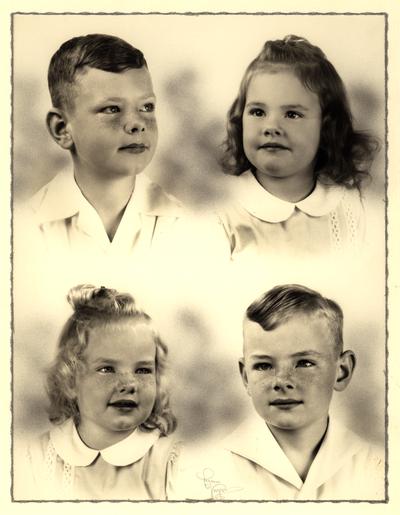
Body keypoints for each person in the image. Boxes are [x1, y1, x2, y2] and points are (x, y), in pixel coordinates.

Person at [192, 284, 383, 500]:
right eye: (263, 366)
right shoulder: (205, 471)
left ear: (342, 371)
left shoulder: (380, 471)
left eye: (304, 363)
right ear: (245, 376)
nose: (281, 382)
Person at [219, 35, 379, 258]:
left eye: (292, 114)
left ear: (326, 127)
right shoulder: (222, 208)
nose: (271, 126)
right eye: (258, 112)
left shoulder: (350, 208)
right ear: (240, 119)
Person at [14, 285, 180, 500]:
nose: (129, 384)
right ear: (71, 381)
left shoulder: (171, 463)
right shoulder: (33, 459)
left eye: (142, 370)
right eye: (107, 369)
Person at [27, 34, 182, 261]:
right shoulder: (27, 225)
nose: (137, 123)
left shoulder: (183, 222)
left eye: (147, 107)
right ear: (61, 128)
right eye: (112, 109)